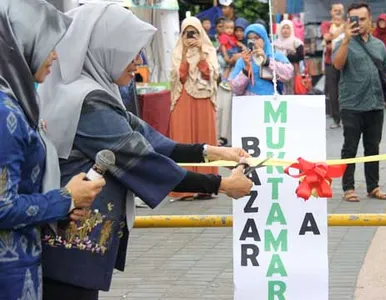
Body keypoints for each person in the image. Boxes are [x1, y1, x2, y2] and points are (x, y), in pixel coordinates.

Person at [37, 4, 253, 298]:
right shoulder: (87, 102)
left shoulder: (95, 91)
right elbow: (142, 160)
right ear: (105, 49)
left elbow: (152, 140)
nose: (138, 61)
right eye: (131, 52)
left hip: (75, 245)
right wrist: (223, 184)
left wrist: (213, 151)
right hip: (66, 248)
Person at [0, 1, 105, 298]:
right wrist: (65, 199)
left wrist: (60, 207)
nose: (55, 56)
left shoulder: (15, 101)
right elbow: (2, 206)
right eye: (48, 46)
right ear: (21, 42)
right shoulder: (4, 111)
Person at [332, 2, 386, 202]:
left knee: (373, 148)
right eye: (354, 19)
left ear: (370, 20)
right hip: (351, 104)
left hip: (375, 104)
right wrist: (345, 40)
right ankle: (348, 188)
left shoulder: (378, 45)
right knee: (350, 148)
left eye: (362, 19)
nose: (358, 23)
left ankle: (373, 186)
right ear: (347, 21)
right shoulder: (342, 43)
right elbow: (337, 64)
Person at [169, 16, 221, 200]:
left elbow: (210, 74)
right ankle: (183, 187)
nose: (190, 36)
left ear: (201, 33)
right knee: (183, 138)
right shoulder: (177, 52)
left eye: (194, 32)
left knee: (205, 138)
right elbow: (180, 77)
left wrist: (200, 52)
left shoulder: (208, 50)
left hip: (203, 98)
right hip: (184, 98)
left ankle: (206, 186)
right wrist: (185, 53)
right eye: (186, 33)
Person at [229, 24, 294, 96]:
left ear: (264, 39)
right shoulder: (243, 60)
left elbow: (288, 74)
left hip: (272, 102)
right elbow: (235, 89)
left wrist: (267, 61)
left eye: (256, 38)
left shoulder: (275, 55)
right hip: (250, 103)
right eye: (249, 38)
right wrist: (246, 70)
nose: (253, 41)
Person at [217, 17, 249, 147]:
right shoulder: (230, 43)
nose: (239, 33)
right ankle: (224, 136)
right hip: (229, 83)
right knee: (225, 109)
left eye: (242, 31)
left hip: (244, 86)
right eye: (237, 30)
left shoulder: (248, 45)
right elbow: (227, 58)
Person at [321, 3, 345, 129]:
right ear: (331, 12)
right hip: (330, 62)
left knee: (346, 90)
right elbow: (326, 37)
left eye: (340, 10)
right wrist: (343, 32)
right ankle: (336, 119)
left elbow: (330, 40)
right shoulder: (326, 25)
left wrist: (332, 40)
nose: (337, 12)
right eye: (335, 10)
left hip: (346, 62)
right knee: (333, 91)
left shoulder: (347, 24)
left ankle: (347, 117)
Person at [274, 19, 305, 95]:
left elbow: (301, 56)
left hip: (293, 70)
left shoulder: (296, 42)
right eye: (283, 28)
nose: (285, 30)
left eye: (288, 28)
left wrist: (287, 56)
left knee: (292, 90)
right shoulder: (275, 44)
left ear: (291, 29)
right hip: (278, 70)